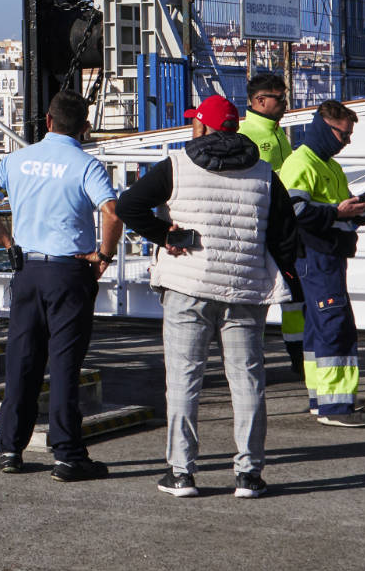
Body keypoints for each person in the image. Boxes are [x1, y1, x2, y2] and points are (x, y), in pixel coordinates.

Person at [117, 94, 300, 499]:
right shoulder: (265, 173)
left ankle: (181, 474)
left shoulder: (177, 166)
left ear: (201, 126)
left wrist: (166, 236)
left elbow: (129, 205)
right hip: (246, 289)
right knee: (247, 380)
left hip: (188, 287)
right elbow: (286, 234)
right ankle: (248, 474)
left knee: (184, 380)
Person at [0, 90, 120, 481]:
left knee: (22, 360)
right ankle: (68, 454)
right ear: (84, 128)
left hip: (29, 270)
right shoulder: (87, 166)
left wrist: (7, 243)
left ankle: (10, 449)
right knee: (65, 364)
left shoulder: (16, 160)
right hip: (70, 271)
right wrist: (103, 255)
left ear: (48, 122)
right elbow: (112, 212)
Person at [280, 99, 365, 426]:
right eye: (344, 134)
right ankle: (336, 407)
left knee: (319, 326)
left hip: (326, 254)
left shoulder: (326, 164)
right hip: (316, 255)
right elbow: (297, 212)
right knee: (334, 325)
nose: (347, 141)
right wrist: (340, 212)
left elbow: (342, 213)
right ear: (326, 129)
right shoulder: (303, 163)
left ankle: (322, 397)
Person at [238, 71, 303, 374]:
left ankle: (298, 356)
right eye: (280, 98)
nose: (286, 102)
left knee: (293, 294)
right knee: (256, 298)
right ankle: (255, 358)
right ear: (260, 101)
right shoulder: (248, 134)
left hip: (281, 225)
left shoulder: (276, 132)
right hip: (260, 226)